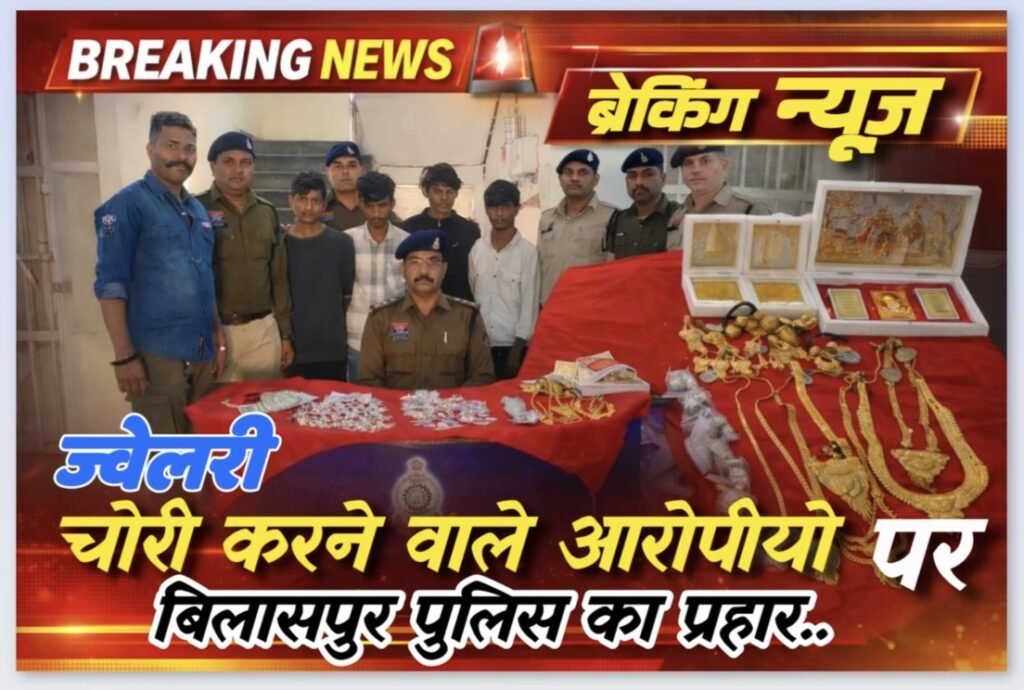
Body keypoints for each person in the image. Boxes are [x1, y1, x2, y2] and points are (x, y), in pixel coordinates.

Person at [93, 111, 223, 433]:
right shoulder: (127, 205)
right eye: (171, 146)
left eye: (189, 149)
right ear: (150, 150)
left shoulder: (195, 209)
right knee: (164, 454)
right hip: (157, 357)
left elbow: (204, 273)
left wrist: (216, 333)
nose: (181, 156)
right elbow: (111, 285)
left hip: (202, 354)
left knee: (201, 450)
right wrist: (124, 357)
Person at [198, 131, 293, 381]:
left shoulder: (267, 212)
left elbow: (278, 277)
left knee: (264, 401)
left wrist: (285, 334)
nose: (238, 170)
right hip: (215, 332)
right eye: (229, 161)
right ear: (213, 166)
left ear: (254, 167)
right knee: (216, 403)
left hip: (262, 332)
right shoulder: (196, 209)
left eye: (246, 162)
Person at [357, 230, 495, 390]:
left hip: (451, 406)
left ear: (444, 269)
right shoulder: (381, 317)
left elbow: (482, 376)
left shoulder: (468, 316)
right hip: (396, 406)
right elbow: (369, 379)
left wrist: (450, 403)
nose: (424, 271)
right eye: (415, 262)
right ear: (403, 269)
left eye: (433, 262)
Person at [283, 171, 355, 381]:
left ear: (324, 205)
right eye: (302, 199)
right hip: (292, 346)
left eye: (315, 201)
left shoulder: (342, 243)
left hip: (332, 346)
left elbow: (347, 292)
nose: (308, 207)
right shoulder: (279, 244)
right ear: (290, 201)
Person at [469, 180, 539, 380]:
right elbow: (473, 293)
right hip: (481, 346)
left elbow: (530, 304)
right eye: (493, 207)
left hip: (513, 348)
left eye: (505, 207)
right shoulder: (477, 249)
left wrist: (517, 351)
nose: (499, 214)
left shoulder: (528, 253)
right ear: (486, 210)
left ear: (516, 209)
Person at [344, 172, 409, 382]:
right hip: (357, 336)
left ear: (393, 203)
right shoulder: (346, 241)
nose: (376, 214)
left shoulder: (407, 243)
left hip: (398, 336)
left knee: (396, 396)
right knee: (358, 396)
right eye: (370, 206)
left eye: (382, 206)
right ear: (361, 204)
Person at [537, 149, 616, 305]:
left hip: (588, 311)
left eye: (583, 173)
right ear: (560, 179)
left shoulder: (612, 217)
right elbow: (540, 266)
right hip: (548, 309)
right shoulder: (546, 218)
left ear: (596, 179)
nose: (574, 178)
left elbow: (614, 272)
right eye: (568, 172)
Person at [402, 162, 481, 302]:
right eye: (437, 191)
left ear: (456, 193)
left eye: (449, 192)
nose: (444, 198)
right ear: (426, 192)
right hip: (418, 308)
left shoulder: (470, 231)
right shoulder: (409, 228)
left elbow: (476, 276)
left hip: (459, 309)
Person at [604, 147, 682, 259]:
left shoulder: (679, 216)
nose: (639, 182)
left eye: (648, 174)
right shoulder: (618, 219)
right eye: (632, 176)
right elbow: (611, 262)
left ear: (663, 178)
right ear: (626, 181)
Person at [667, 145, 771, 227]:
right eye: (688, 163)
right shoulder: (677, 216)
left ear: (724, 166)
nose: (695, 170)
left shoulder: (750, 211)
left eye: (705, 161)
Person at [322, 141, 403, 231]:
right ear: (327, 172)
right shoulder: (319, 207)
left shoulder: (376, 204)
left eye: (352, 166)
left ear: (362, 170)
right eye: (338, 166)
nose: (345, 172)